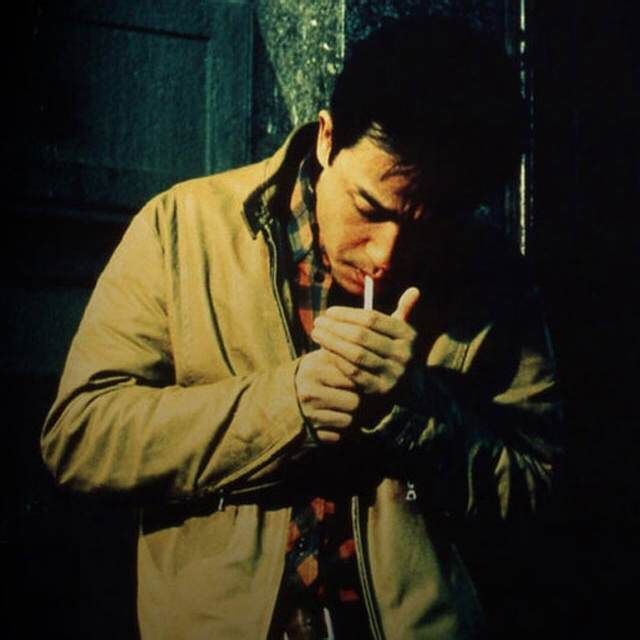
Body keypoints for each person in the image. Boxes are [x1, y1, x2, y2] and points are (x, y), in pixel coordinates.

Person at [41, 15, 562, 640]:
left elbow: (540, 492)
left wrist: (419, 412)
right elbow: (81, 437)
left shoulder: (494, 275)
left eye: (432, 224)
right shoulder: (184, 226)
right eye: (369, 208)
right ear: (327, 138)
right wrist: (286, 406)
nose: (387, 255)